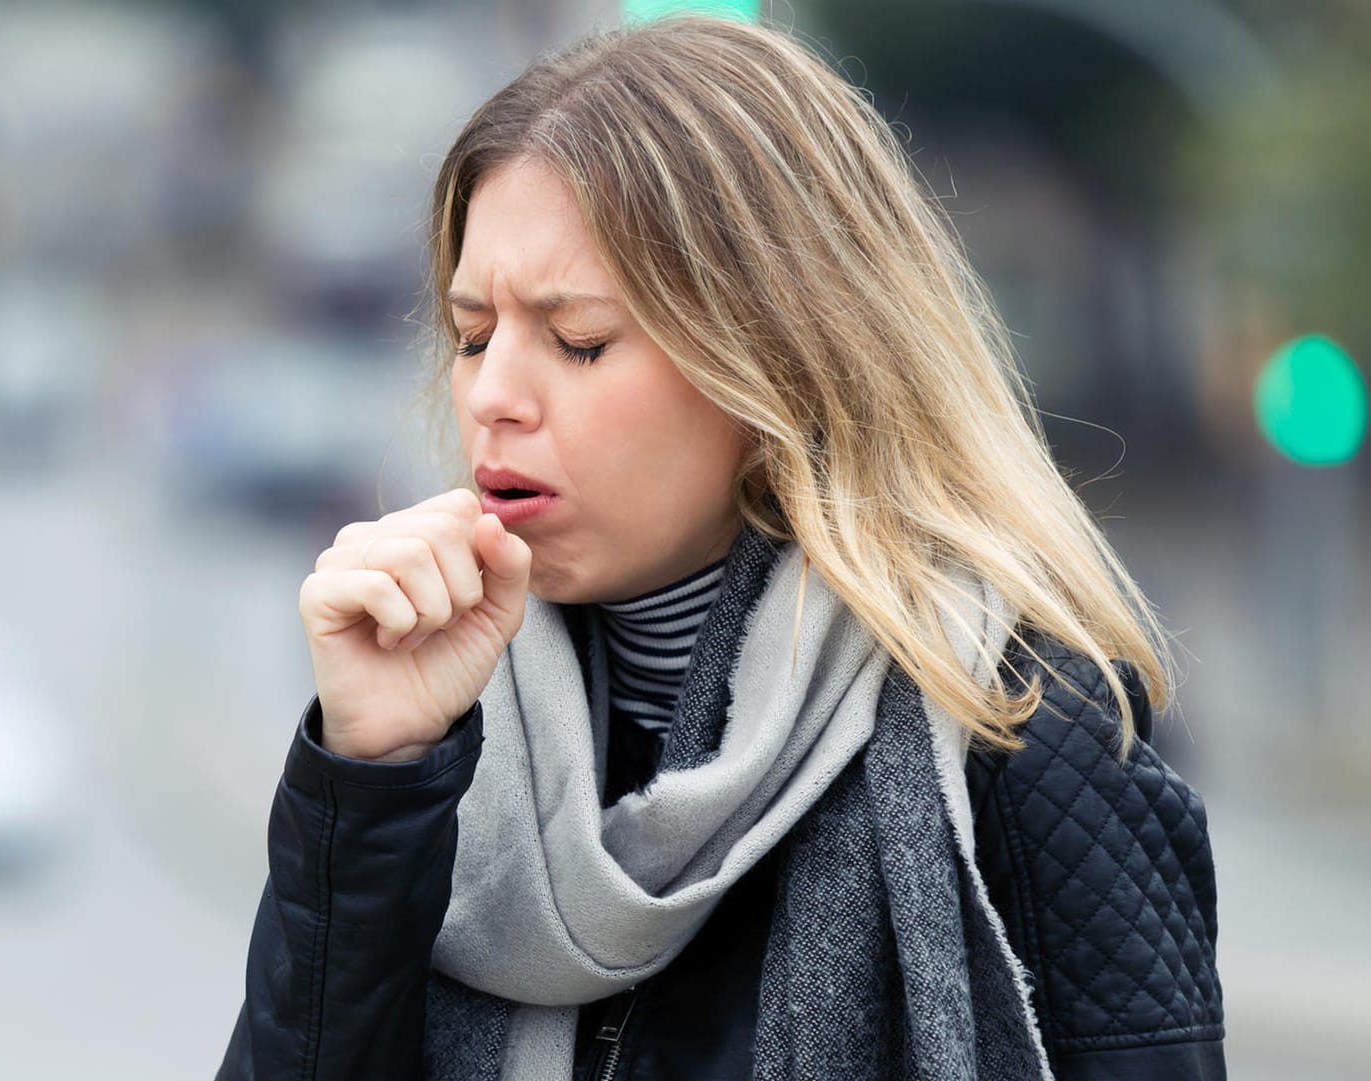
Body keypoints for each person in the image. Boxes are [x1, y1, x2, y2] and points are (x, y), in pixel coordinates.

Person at [217, 14, 1223, 1081]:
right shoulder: (434, 736)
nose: (494, 398)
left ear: (778, 359)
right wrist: (370, 777)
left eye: (579, 341)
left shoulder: (1026, 732)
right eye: (473, 336)